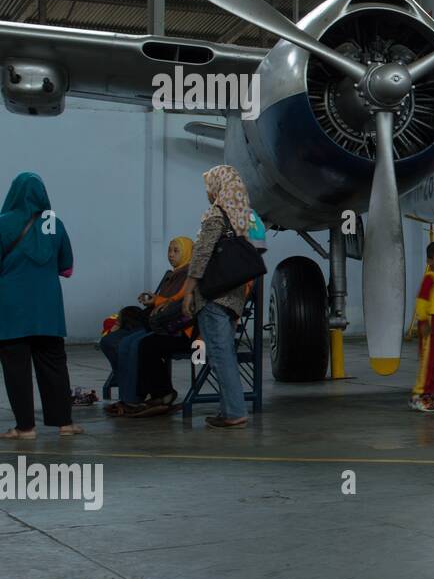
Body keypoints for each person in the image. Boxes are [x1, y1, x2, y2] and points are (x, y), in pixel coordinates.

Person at [0, 172, 81, 439]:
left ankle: (25, 428)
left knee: (16, 369)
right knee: (54, 365)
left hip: (12, 309)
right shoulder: (54, 223)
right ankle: (64, 424)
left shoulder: (3, 223)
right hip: (48, 309)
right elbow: (66, 268)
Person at [182, 165, 254, 429]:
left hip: (213, 296)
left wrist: (188, 291)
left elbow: (200, 255)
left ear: (218, 187)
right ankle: (230, 409)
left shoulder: (215, 215)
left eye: (209, 187)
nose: (208, 193)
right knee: (225, 354)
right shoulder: (244, 218)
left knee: (220, 354)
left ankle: (234, 412)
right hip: (234, 296)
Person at [101, 236, 194, 416]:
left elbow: (176, 304)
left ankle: (133, 397)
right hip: (156, 322)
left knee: (133, 344)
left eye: (176, 251)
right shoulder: (171, 275)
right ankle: (132, 391)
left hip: (174, 327)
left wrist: (156, 301)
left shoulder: (189, 275)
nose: (171, 255)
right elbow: (165, 305)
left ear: (187, 253)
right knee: (109, 342)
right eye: (169, 250)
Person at [410, 241, 434, 413]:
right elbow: (422, 300)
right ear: (429, 261)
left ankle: (429, 393)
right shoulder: (430, 277)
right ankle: (418, 394)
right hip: (430, 322)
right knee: (427, 361)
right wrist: (423, 321)